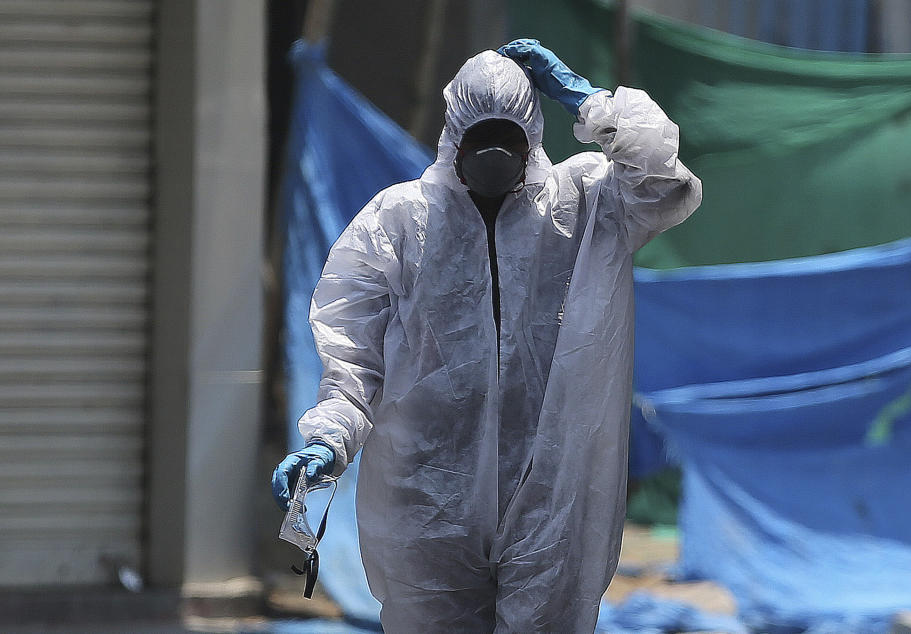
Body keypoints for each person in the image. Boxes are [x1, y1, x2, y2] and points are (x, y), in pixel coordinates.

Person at [272, 39, 702, 632]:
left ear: (533, 131)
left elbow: (661, 180)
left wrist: (586, 99)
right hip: (426, 500)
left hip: (553, 493)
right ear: (454, 134)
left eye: (509, 133)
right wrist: (329, 440)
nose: (495, 152)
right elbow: (354, 359)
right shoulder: (399, 221)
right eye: (481, 134)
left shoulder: (584, 205)